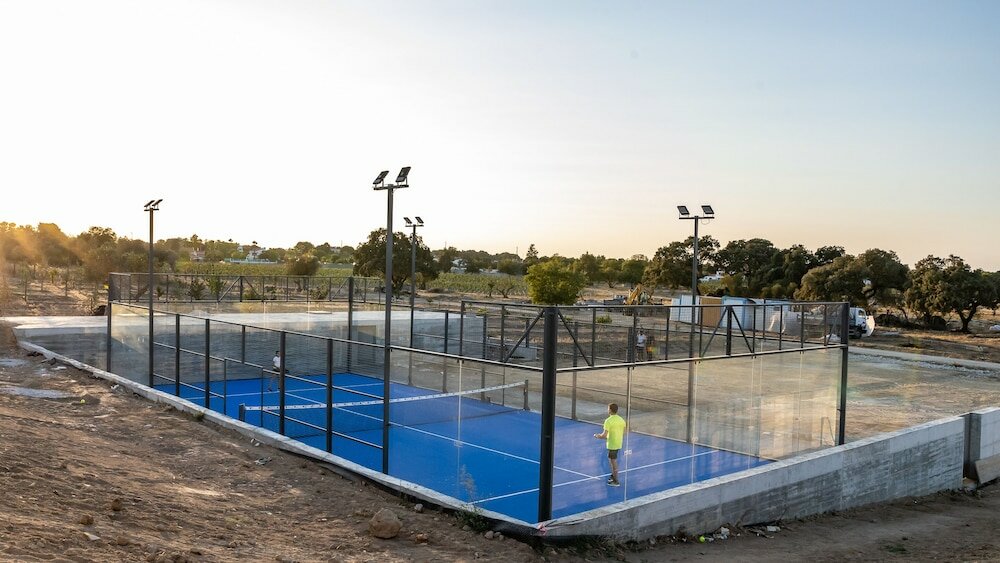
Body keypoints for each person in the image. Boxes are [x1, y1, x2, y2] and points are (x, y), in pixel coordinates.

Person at [594, 403, 627, 486]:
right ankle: (613, 476)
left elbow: (604, 435)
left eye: (608, 408)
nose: (607, 410)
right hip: (618, 443)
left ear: (610, 410)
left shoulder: (608, 421)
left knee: (613, 462)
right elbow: (624, 431)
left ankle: (616, 481)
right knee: (611, 460)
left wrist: (597, 436)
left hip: (612, 444)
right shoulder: (621, 419)